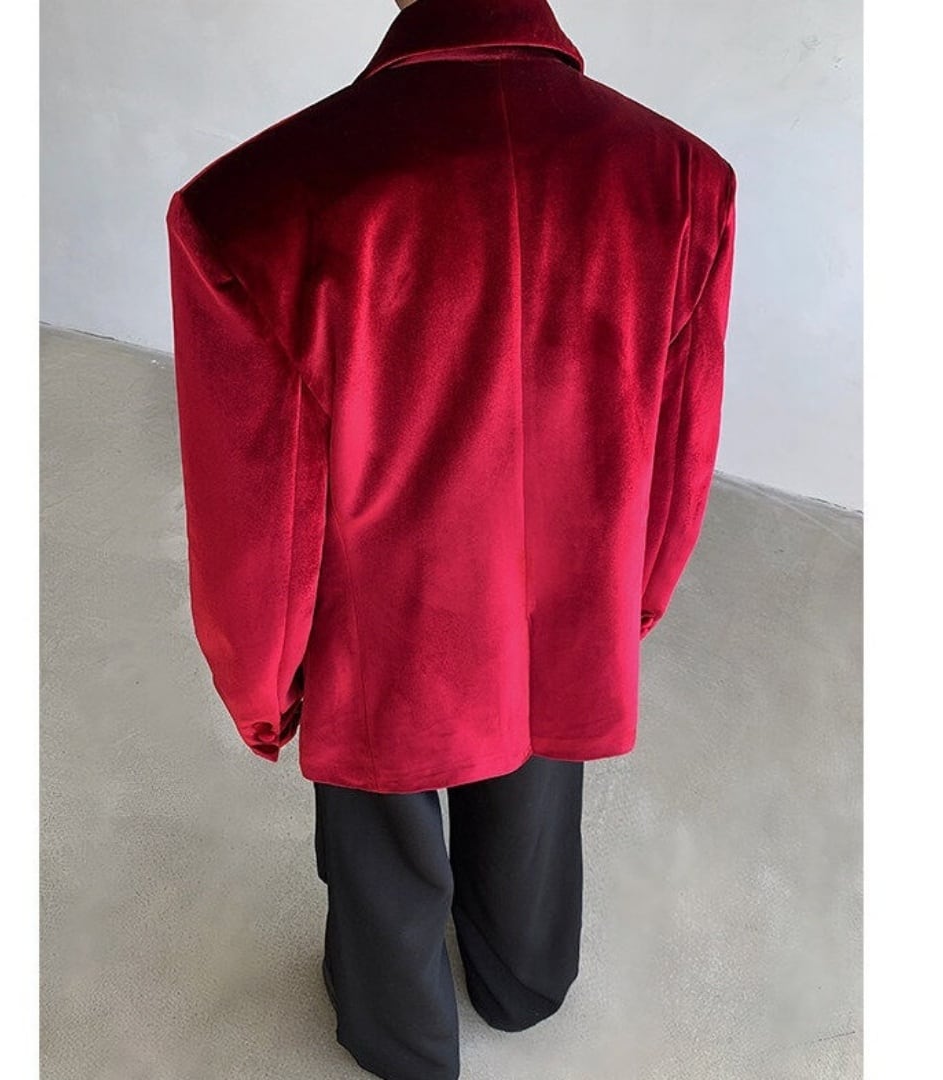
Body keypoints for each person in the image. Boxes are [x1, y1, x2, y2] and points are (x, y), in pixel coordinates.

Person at [166, 0, 737, 1076]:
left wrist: (262, 682)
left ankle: (400, 1036)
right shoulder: (681, 179)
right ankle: (525, 980)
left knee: (380, 823)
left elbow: (256, 490)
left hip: (388, 606)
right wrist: (631, 601)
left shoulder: (258, 201)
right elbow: (681, 439)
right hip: (573, 574)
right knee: (538, 764)